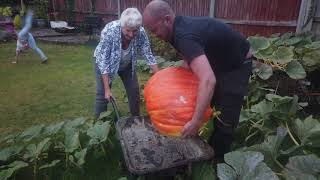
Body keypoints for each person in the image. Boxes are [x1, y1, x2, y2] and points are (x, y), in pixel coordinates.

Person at [143, 0, 252, 160]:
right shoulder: (176, 29)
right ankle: (209, 144)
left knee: (225, 120)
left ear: (167, 19)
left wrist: (196, 121)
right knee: (208, 102)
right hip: (220, 61)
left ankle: (218, 165)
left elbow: (208, 80)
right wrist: (170, 86)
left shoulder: (184, 35)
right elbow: (189, 59)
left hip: (236, 65)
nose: (154, 35)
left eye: (154, 29)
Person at [94, 7, 159, 119]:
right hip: (105, 63)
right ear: (122, 25)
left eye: (135, 30)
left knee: (134, 91)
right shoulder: (110, 31)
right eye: (128, 30)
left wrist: (159, 77)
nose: (131, 34)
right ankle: (98, 124)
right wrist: (107, 89)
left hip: (127, 64)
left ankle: (136, 120)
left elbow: (148, 54)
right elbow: (103, 61)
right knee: (102, 95)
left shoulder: (141, 32)